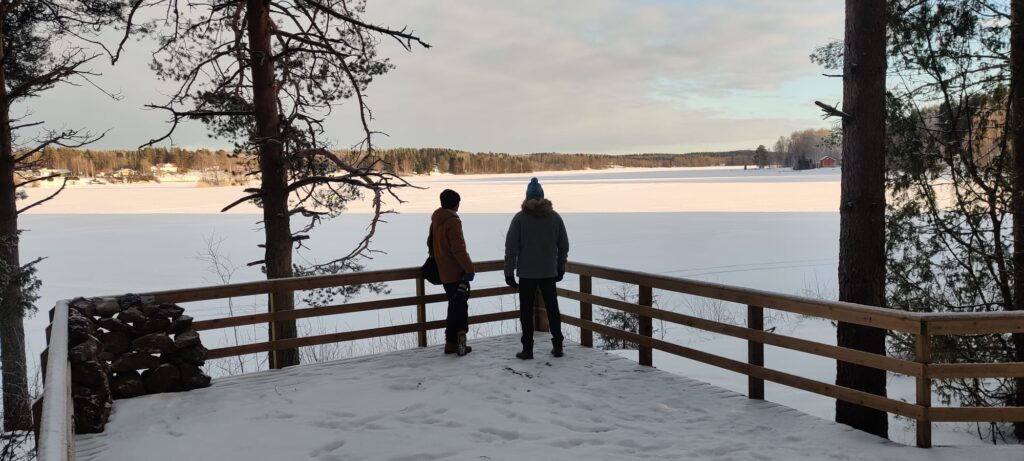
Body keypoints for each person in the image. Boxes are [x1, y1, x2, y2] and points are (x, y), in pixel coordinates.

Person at [504, 177, 569, 360]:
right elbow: (563, 245)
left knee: (526, 312)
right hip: (549, 272)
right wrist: (560, 266)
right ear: (542, 196)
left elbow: (511, 248)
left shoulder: (519, 219)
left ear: (527, 197)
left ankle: (527, 349)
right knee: (552, 309)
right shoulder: (555, 217)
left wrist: (509, 272)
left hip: (527, 274)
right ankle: (558, 345)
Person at [430, 189, 475, 356]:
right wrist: (469, 268)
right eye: (458, 202)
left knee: (455, 305)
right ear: (455, 203)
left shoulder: (437, 220)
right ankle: (458, 342)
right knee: (460, 307)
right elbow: (458, 248)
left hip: (443, 271)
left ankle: (451, 343)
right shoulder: (452, 222)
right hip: (456, 272)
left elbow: (431, 244)